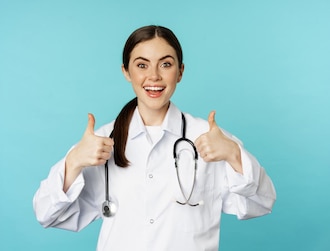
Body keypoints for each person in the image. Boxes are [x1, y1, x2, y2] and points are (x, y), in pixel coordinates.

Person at [32, 25, 276, 251]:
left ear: (180, 72)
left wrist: (234, 155)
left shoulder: (210, 139)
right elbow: (47, 214)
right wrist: (73, 162)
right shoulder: (100, 143)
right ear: (126, 72)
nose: (154, 76)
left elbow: (262, 202)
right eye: (141, 65)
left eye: (166, 64)